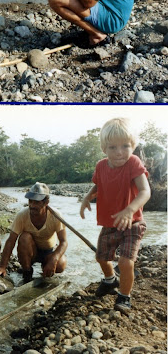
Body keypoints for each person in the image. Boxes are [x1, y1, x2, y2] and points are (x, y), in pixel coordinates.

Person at [80, 118, 151, 312]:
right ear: (104, 148)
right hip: (110, 223)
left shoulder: (133, 163)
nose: (119, 152)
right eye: (112, 147)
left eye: (125, 146)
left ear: (133, 146)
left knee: (125, 261)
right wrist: (87, 197)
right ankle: (110, 280)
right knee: (101, 257)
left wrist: (130, 209)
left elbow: (145, 191)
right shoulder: (101, 166)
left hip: (132, 223)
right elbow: (98, 184)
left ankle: (124, 296)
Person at [0, 182, 68, 283]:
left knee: (61, 265)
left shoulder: (56, 215)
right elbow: (11, 241)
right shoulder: (22, 215)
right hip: (30, 252)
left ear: (46, 202)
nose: (32, 205)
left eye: (36, 202)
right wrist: (2, 266)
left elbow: (64, 242)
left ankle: (46, 268)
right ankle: (27, 272)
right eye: (30, 201)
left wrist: (54, 259)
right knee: (24, 237)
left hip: (48, 251)